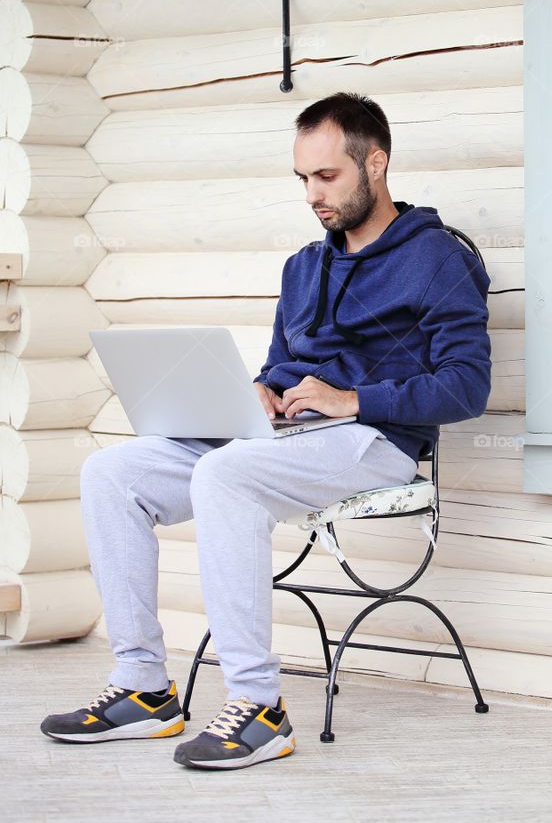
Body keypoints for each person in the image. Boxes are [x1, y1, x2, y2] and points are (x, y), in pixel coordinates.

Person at [41, 92, 491, 770]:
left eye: (327, 176)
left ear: (376, 162)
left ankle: (259, 709)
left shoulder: (434, 258)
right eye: (302, 179)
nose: (312, 194)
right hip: (286, 440)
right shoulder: (304, 266)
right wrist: (261, 392)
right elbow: (285, 366)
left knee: (225, 474)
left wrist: (352, 400)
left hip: (376, 443)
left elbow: (466, 386)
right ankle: (142, 688)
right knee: (112, 474)